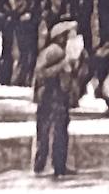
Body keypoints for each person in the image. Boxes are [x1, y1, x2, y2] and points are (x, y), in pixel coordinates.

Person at [33, 19, 87, 178]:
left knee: (59, 129)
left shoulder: (65, 52)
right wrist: (62, 65)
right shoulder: (54, 51)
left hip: (59, 95)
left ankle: (58, 164)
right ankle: (45, 164)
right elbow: (40, 72)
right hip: (50, 94)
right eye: (71, 34)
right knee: (50, 129)